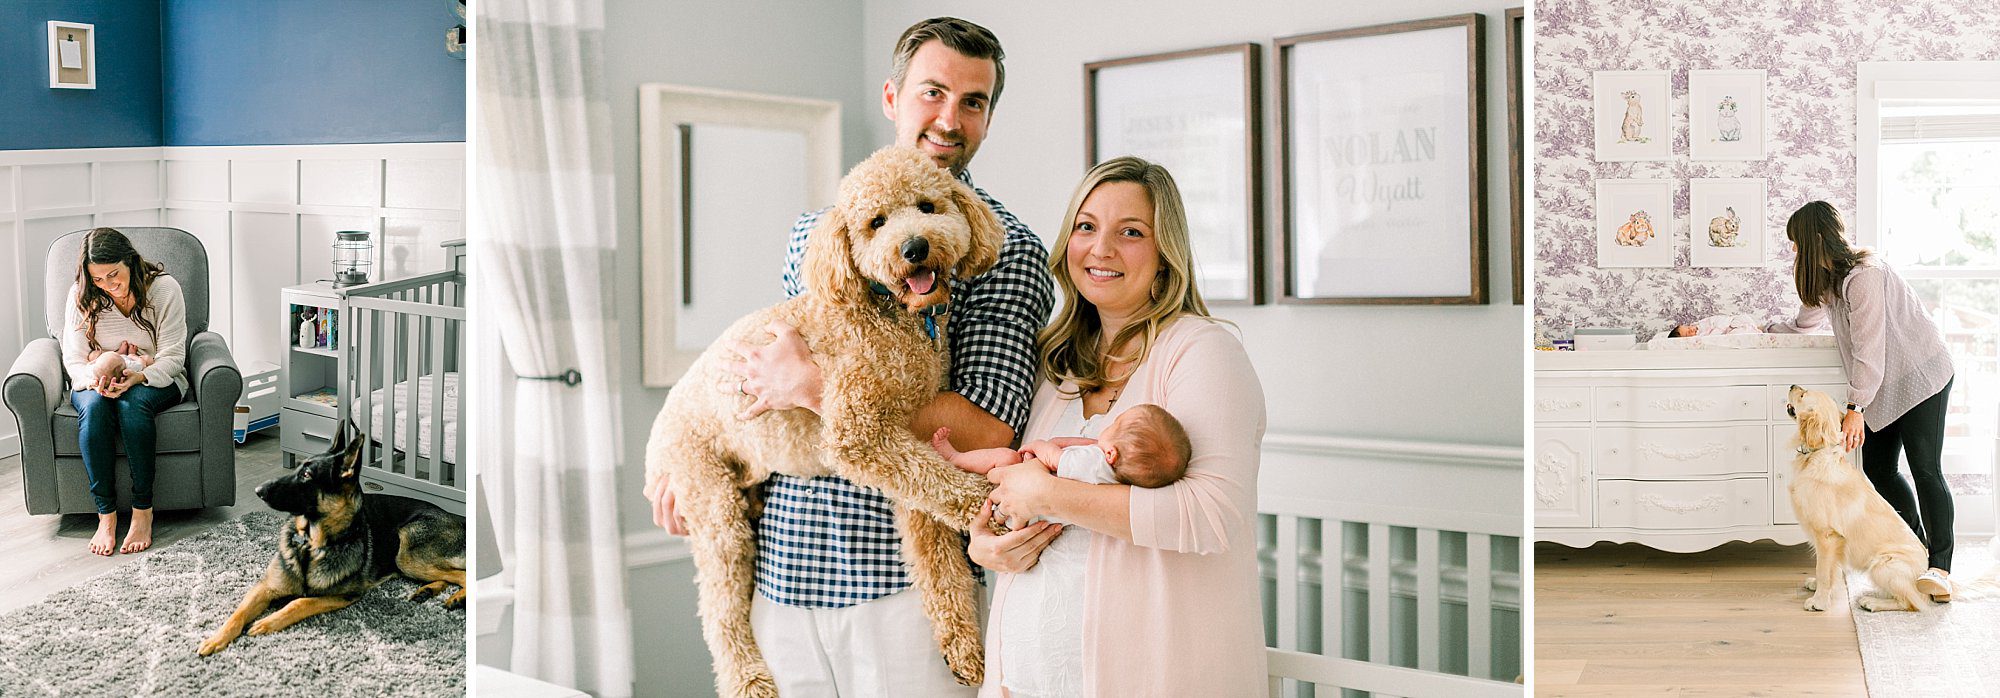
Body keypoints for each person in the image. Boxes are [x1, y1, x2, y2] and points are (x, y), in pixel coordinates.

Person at [642, 17, 1056, 695]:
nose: (949, 119)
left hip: (900, 591)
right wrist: (695, 468)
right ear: (893, 97)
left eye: (973, 101)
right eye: (933, 93)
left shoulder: (1006, 251)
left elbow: (986, 426)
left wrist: (816, 391)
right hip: (785, 569)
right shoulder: (817, 236)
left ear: (989, 116)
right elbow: (767, 395)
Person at [972, 156, 1267, 696]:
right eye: (1086, 227)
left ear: (1164, 254)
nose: (1101, 249)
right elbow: (1008, 485)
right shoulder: (1055, 366)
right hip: (1028, 679)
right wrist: (985, 545)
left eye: (1130, 232)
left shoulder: (1202, 352)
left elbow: (1210, 516)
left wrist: (1051, 494)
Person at [1769, 201, 1958, 600]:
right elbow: (1806, 321)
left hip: (1921, 374)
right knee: (1879, 469)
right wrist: (1770, 329)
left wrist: (1854, 410)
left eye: (1795, 245)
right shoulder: (1828, 282)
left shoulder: (1865, 276)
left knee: (1925, 469)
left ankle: (1940, 568)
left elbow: (1869, 351)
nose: (1793, 253)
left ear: (1814, 239)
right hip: (1884, 384)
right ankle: (1915, 552)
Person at [59, 228, 190, 556]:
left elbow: (173, 357)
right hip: (96, 379)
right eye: (99, 279)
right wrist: (100, 370)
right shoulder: (81, 294)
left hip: (153, 377)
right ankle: (106, 517)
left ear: (130, 261)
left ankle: (143, 511)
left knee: (133, 408)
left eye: (114, 274)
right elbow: (74, 360)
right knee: (95, 410)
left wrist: (139, 374)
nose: (108, 285)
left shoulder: (164, 289)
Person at [928, 403, 1192, 489]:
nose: (1108, 426)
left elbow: (1056, 457)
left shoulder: (1089, 464)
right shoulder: (1109, 472)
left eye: (1116, 424)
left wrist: (1040, 446)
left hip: (1025, 484)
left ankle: (955, 458)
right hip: (1034, 495)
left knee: (1005, 456)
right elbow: (1086, 445)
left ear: (1111, 453)